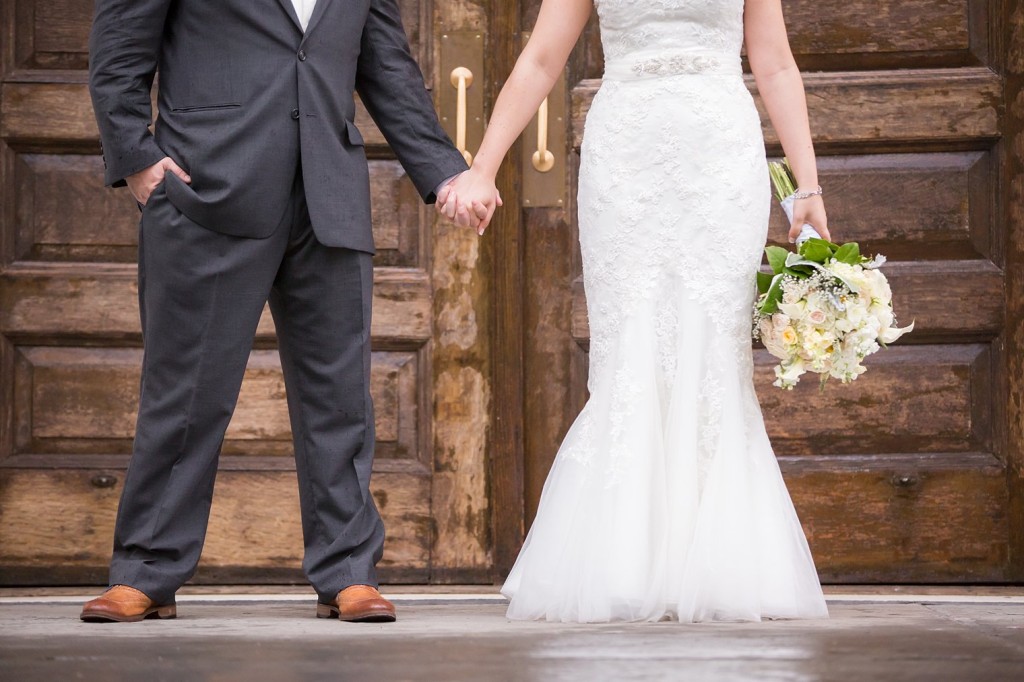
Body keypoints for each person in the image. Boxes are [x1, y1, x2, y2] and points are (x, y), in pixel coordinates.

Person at [80, 0, 474, 623]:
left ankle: (347, 572)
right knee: (185, 393)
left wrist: (444, 172)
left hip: (329, 194)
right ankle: (146, 571)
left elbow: (388, 67)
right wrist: (135, 157)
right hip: (204, 189)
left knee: (340, 397)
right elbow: (120, 48)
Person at [441, 0, 831, 622]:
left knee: (714, 350)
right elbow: (543, 58)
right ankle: (622, 559)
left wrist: (805, 189)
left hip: (719, 155)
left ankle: (721, 563)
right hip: (627, 156)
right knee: (629, 349)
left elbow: (776, 64)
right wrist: (482, 167)